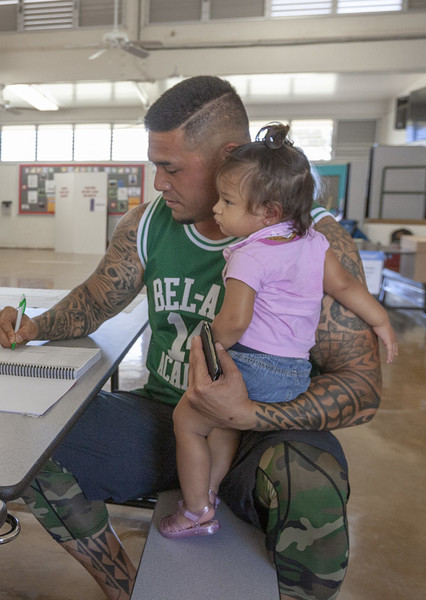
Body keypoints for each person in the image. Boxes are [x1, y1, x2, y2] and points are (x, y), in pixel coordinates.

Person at [0, 76, 381, 600]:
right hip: (166, 422)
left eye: (171, 167)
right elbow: (94, 300)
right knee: (32, 433)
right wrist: (35, 325)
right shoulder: (147, 225)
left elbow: (361, 389)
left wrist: (249, 416)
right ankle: (128, 588)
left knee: (312, 476)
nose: (158, 183)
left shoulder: (312, 242)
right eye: (155, 165)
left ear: (227, 159)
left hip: (264, 435)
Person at [158, 123, 397, 539]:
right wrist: (381, 321)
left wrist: (207, 347)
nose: (217, 209)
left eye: (228, 201)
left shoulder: (250, 255)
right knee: (226, 425)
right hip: (293, 375)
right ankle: (212, 491)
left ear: (268, 212)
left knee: (188, 422)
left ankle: (195, 511)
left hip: (252, 365)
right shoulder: (313, 243)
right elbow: (344, 286)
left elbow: (234, 321)